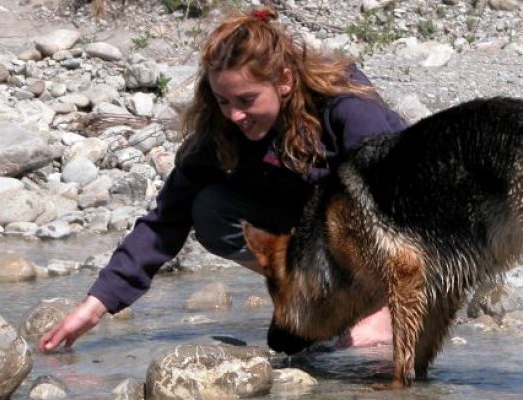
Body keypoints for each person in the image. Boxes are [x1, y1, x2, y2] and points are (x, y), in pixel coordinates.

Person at [39, 7, 405, 353]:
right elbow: (164, 221)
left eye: (246, 100)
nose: (235, 115)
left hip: (397, 222)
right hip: (318, 226)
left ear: (285, 81)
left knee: (366, 349)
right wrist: (96, 305)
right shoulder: (220, 133)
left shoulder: (346, 105)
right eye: (223, 101)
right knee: (210, 208)